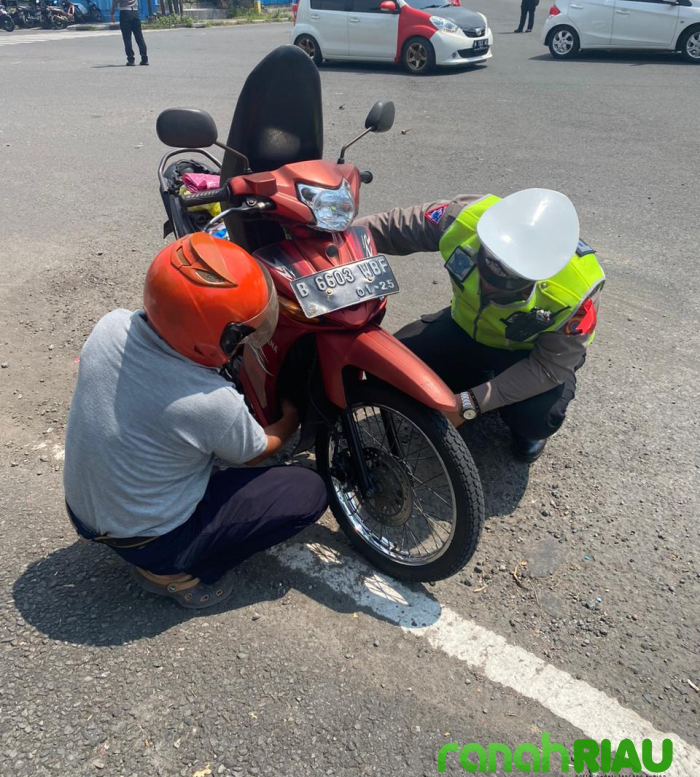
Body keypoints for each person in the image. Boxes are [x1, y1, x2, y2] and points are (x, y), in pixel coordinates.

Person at [63, 233, 328, 609]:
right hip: (148, 541)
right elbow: (255, 451)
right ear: (208, 339)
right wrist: (291, 417)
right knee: (309, 489)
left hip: (85, 510)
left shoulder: (111, 326)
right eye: (242, 332)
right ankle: (173, 573)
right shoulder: (208, 404)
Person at [357, 190, 605, 464]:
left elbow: (549, 367)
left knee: (537, 417)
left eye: (503, 289)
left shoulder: (579, 288)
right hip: (462, 329)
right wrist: (332, 237)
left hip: (526, 355)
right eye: (485, 271)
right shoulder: (467, 217)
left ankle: (521, 423)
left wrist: (468, 406)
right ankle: (476, 379)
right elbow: (391, 228)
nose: (486, 286)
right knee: (385, 365)